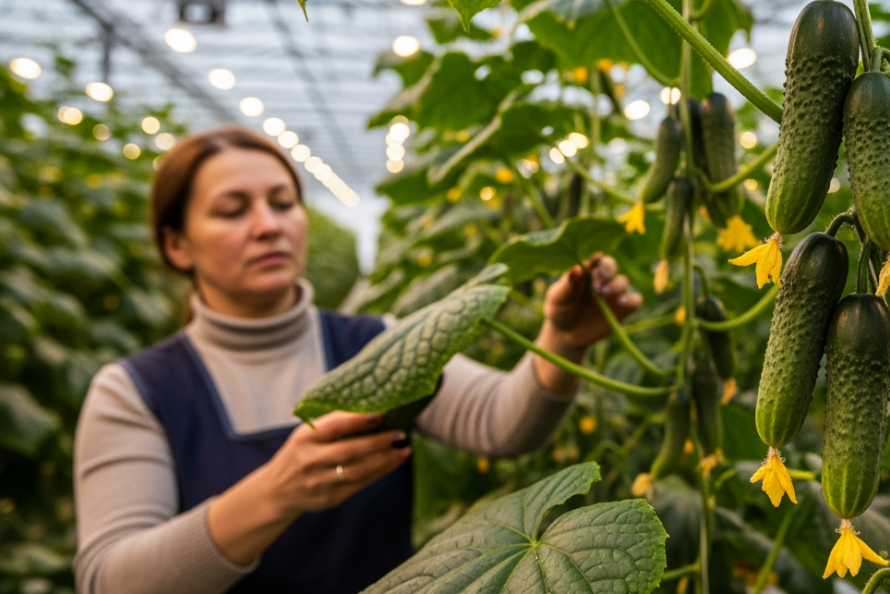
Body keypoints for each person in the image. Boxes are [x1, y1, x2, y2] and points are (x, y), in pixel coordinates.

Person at [72, 126, 642, 594]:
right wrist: (276, 492)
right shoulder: (135, 390)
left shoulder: (382, 344)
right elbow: (109, 580)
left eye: (282, 202)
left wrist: (564, 340)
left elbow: (501, 422)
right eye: (231, 210)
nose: (268, 225)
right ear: (177, 245)